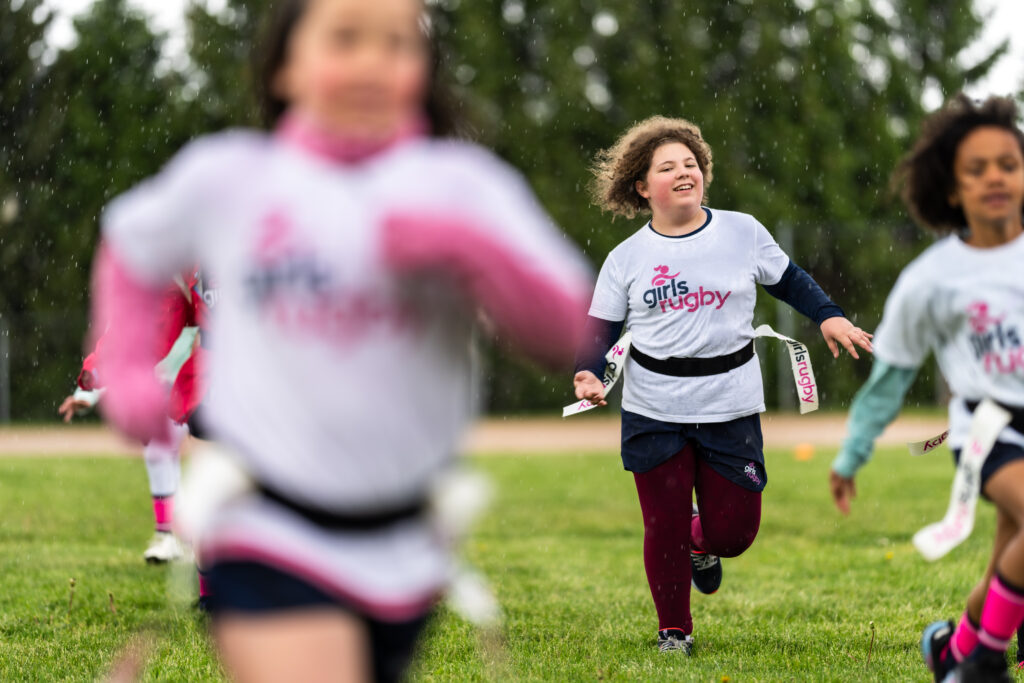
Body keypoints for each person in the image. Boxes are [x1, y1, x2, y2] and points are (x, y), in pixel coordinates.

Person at [89, 0, 592, 680]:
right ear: (285, 67)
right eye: (345, 38)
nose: (371, 61)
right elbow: (130, 247)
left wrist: (471, 247)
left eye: (397, 43)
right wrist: (123, 367)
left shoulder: (464, 187)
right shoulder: (230, 177)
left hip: (409, 539)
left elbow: (567, 331)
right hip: (267, 523)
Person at [573, 115, 872, 654]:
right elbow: (601, 332)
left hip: (731, 402)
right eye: (667, 167)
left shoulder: (742, 231)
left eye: (691, 163)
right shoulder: (626, 259)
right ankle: (674, 632)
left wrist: (829, 315)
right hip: (653, 406)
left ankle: (700, 541)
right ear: (643, 187)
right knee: (659, 523)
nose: (684, 172)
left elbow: (790, 280)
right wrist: (590, 373)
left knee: (734, 531)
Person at [830, 93, 1024, 683]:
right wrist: (853, 451)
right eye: (977, 168)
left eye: (1009, 164)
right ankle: (984, 660)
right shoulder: (931, 280)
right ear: (950, 188)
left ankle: (953, 645)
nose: (995, 176)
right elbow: (890, 376)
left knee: (1004, 571)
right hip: (990, 432)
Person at [59, 278, 200, 564]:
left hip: (200, 384)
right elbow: (118, 347)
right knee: (161, 453)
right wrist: (86, 391)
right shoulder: (160, 286)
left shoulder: (187, 280)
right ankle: (172, 535)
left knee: (203, 457)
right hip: (171, 391)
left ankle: (188, 535)